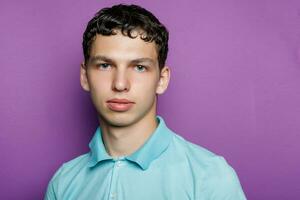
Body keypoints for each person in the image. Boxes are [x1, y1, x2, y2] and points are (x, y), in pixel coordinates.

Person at [44, 4, 247, 200]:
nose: (120, 84)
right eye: (105, 65)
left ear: (162, 79)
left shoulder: (210, 177)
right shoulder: (63, 183)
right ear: (85, 76)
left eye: (139, 67)